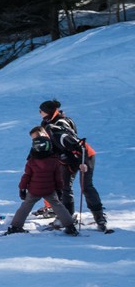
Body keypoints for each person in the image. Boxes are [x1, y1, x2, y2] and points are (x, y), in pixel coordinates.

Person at [40, 99, 107, 232]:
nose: (39, 113)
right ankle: (67, 217)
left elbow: (75, 143)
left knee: (86, 187)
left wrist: (82, 162)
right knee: (65, 187)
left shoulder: (56, 127)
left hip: (84, 156)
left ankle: (99, 217)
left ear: (46, 112)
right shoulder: (54, 122)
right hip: (68, 159)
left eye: (40, 111)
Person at [5, 127, 78, 236]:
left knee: (25, 206)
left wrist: (22, 188)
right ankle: (70, 226)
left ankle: (15, 226)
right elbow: (58, 177)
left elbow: (26, 176)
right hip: (50, 190)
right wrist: (59, 189)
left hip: (34, 190)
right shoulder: (54, 161)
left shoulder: (31, 162)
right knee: (58, 206)